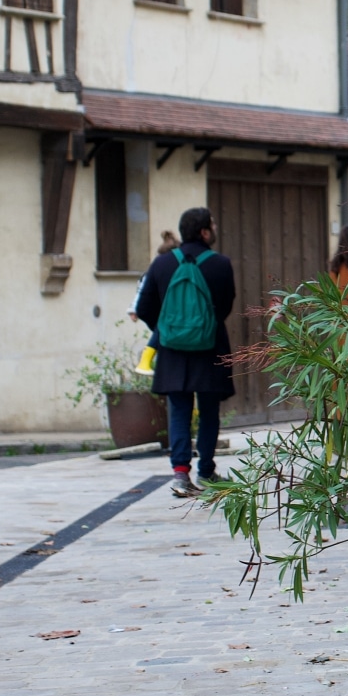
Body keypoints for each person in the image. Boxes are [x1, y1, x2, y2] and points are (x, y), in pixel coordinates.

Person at [135, 208, 236, 498]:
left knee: (178, 411)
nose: (215, 228)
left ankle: (181, 475)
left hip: (172, 351)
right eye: (213, 224)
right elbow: (226, 307)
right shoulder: (221, 264)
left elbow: (143, 308)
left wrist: (168, 329)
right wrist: (202, 326)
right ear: (204, 231)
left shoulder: (162, 264)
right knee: (208, 412)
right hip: (210, 347)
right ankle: (206, 471)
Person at [130, 230, 181, 375]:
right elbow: (141, 292)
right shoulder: (163, 270)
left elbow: (141, 295)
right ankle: (145, 360)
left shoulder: (157, 270)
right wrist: (134, 309)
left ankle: (147, 361)